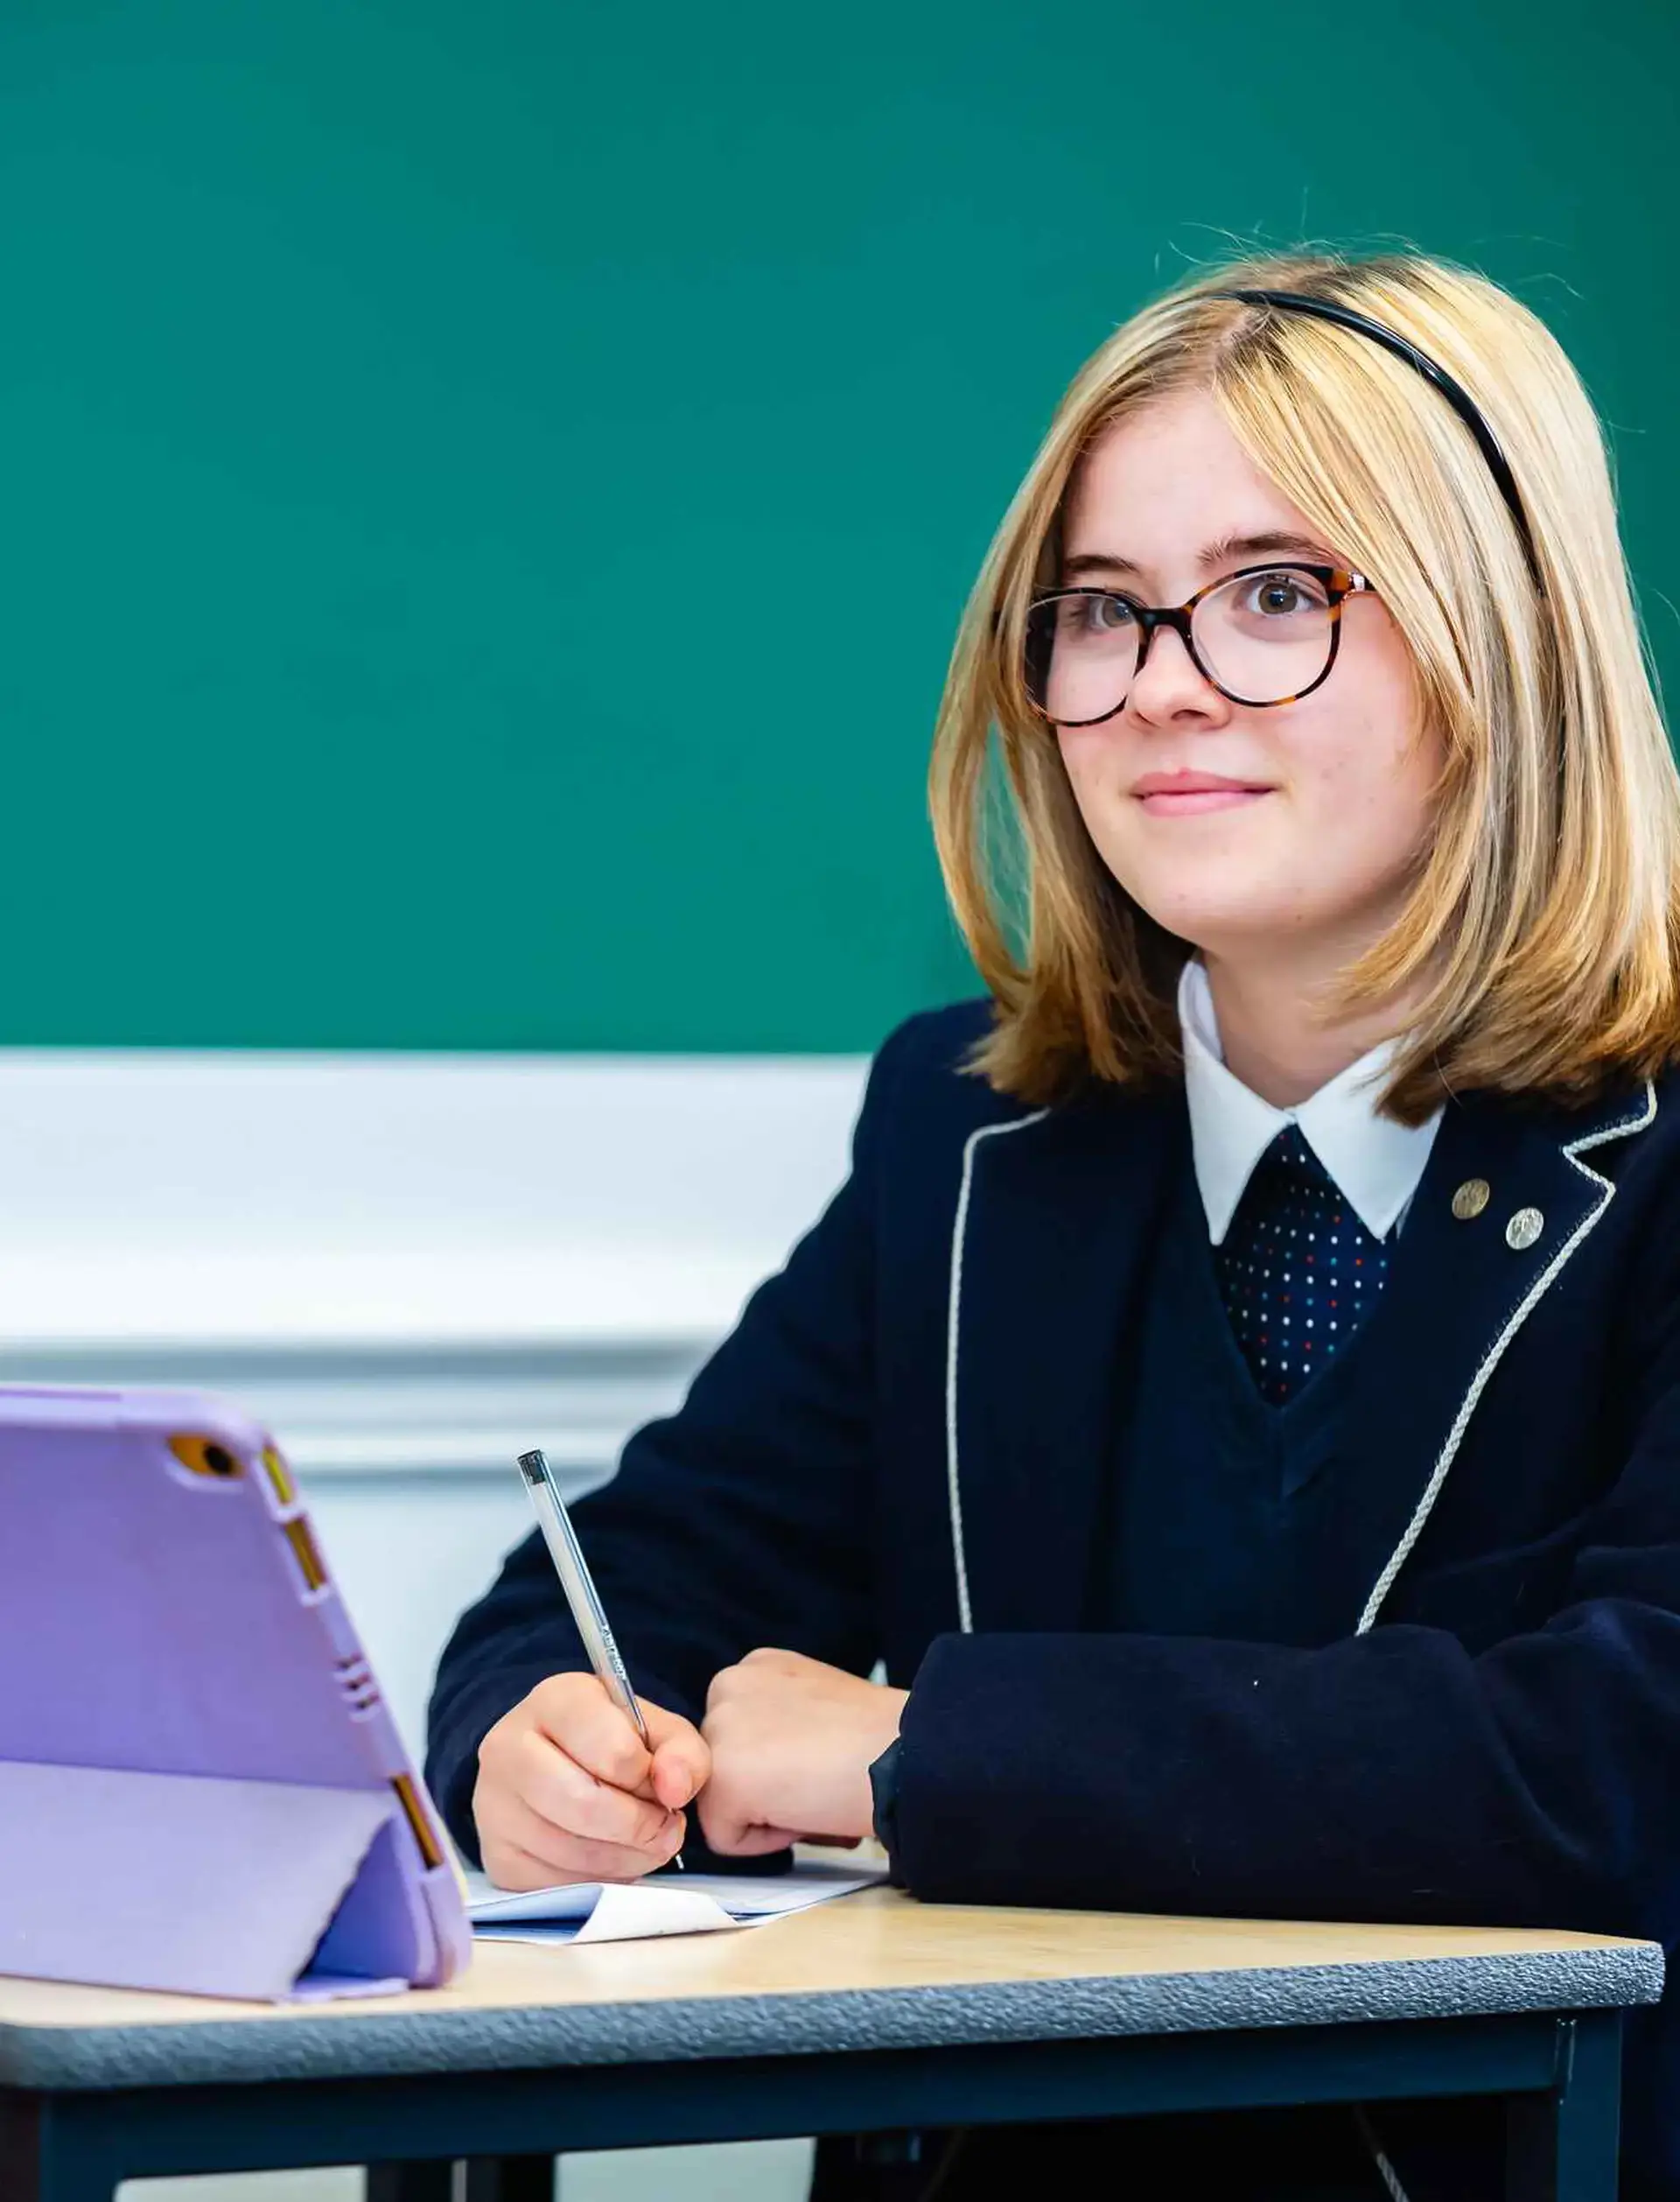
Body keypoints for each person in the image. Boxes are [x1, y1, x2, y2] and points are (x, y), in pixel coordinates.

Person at [426, 249, 1680, 2200]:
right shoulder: (970, 1126)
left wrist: (927, 1753)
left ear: (1502, 635)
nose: (1164, 678)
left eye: (1277, 593)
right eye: (1102, 611)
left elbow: (1621, 1761)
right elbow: (631, 1576)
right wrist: (543, 1736)